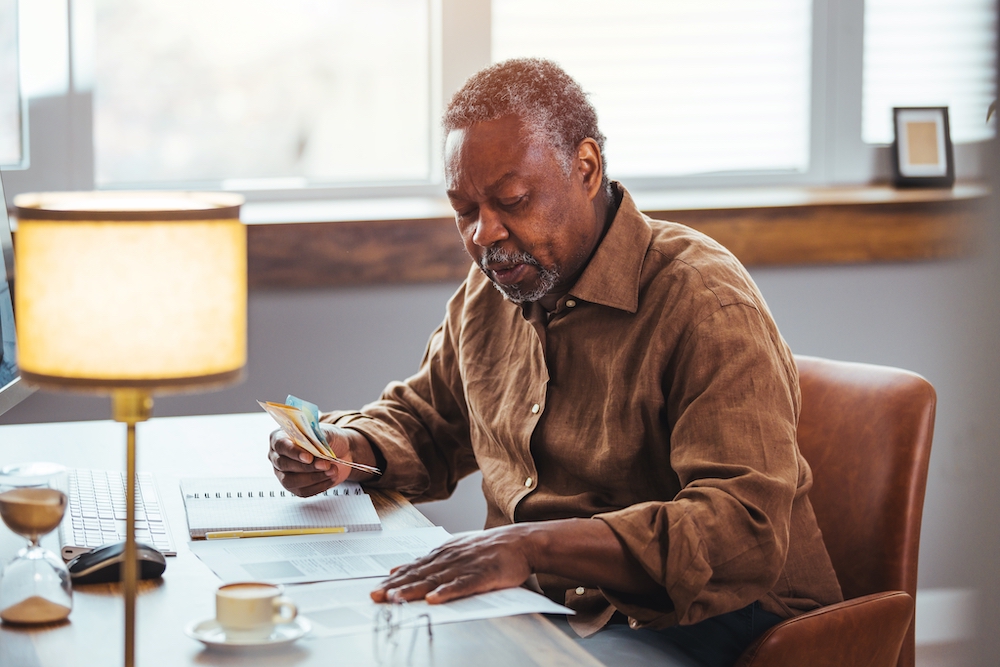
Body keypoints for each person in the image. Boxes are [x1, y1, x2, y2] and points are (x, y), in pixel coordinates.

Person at [269, 58, 843, 667]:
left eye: (513, 200)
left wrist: (534, 547)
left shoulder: (702, 300)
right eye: (465, 210)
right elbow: (430, 421)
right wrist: (346, 447)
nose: (484, 234)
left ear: (586, 168)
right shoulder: (494, 285)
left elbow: (742, 531)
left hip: (712, 621)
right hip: (553, 605)